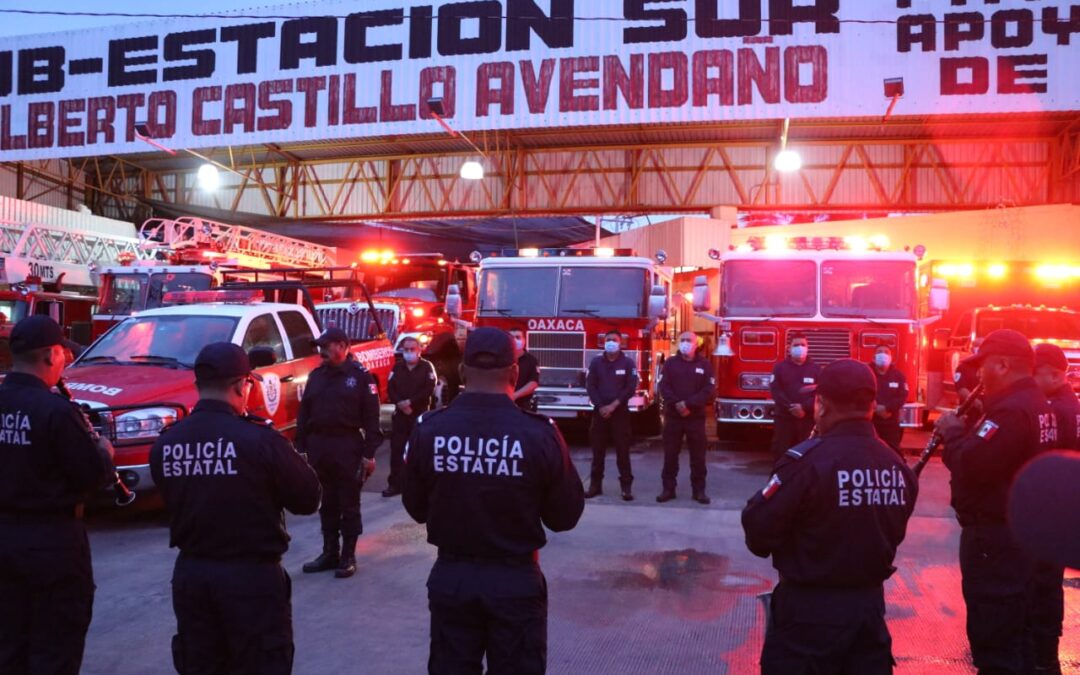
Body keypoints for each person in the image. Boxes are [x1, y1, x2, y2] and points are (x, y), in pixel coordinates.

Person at [402, 327, 585, 674]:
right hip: (514, 581)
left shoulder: (429, 429)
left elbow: (416, 507)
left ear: (462, 372)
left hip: (452, 578)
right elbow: (565, 516)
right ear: (515, 374)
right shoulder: (539, 433)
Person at [150, 342, 321, 675]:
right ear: (242, 385)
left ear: (198, 386)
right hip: (251, 580)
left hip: (193, 576)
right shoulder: (259, 440)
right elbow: (307, 498)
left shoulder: (168, 442)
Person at [742, 359, 917, 674]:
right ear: (872, 404)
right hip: (868, 614)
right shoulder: (897, 466)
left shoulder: (805, 463)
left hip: (807, 618)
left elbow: (758, 532)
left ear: (820, 405)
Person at [934, 329, 1057, 674]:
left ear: (1002, 365)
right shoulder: (1034, 403)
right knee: (1018, 639)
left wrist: (954, 433)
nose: (978, 376)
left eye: (983, 366)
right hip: (1020, 536)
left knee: (995, 641)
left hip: (996, 542)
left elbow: (972, 465)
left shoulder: (1012, 411)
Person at [0, 316, 115, 675]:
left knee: (8, 643)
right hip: (52, 544)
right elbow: (93, 478)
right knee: (54, 647)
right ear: (51, 356)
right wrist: (104, 453)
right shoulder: (56, 411)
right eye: (63, 353)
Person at [297, 327, 383, 579]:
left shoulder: (360, 377)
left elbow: (371, 418)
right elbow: (304, 414)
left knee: (349, 503)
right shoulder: (316, 376)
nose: (321, 350)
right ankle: (329, 552)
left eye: (327, 345)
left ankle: (348, 555)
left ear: (343, 346)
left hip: (347, 446)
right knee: (327, 502)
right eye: (320, 346)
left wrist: (369, 454)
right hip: (319, 446)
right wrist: (300, 448)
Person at [1025, 342, 1079, 674]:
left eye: (1035, 373)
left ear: (1056, 375)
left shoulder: (1055, 410)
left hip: (1052, 507)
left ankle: (1042, 655)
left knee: (1042, 584)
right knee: (1049, 581)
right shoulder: (1071, 406)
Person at [657, 332, 716, 504]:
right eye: (682, 340)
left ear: (696, 344)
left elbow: (708, 389)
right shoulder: (670, 363)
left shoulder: (705, 364)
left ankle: (699, 491)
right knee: (670, 455)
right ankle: (668, 490)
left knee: (698, 457)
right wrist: (677, 404)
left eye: (688, 340)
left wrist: (689, 404)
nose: (684, 343)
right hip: (673, 417)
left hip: (695, 418)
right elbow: (664, 385)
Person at [584, 329, 638, 500]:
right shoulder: (596, 363)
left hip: (619, 413)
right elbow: (591, 386)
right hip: (600, 413)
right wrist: (601, 407)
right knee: (597, 451)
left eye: (614, 340)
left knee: (623, 451)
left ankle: (626, 488)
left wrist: (613, 406)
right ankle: (595, 486)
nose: (610, 342)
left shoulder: (628, 363)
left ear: (620, 342)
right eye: (608, 339)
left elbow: (630, 388)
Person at [383, 337, 437, 498]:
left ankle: (419, 487)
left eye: (412, 349)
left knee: (419, 451)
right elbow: (390, 388)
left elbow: (429, 389)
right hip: (400, 416)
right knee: (397, 450)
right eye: (405, 349)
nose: (408, 352)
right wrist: (399, 402)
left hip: (418, 415)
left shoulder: (426, 367)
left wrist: (411, 402)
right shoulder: (397, 367)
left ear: (419, 349)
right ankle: (395, 484)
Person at [769, 333, 820, 458]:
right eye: (796, 345)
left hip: (807, 420)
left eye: (803, 345)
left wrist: (804, 407)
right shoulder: (779, 368)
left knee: (807, 454)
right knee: (781, 452)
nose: (800, 347)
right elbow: (776, 391)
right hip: (784, 419)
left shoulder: (816, 369)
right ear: (789, 348)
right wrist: (791, 408)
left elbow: (820, 393)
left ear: (808, 347)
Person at [869, 344, 907, 453]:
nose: (883, 354)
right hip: (870, 422)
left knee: (892, 452)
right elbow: (860, 392)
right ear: (874, 357)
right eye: (879, 352)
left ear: (891, 357)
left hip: (890, 422)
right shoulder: (866, 372)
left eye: (886, 352)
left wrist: (888, 408)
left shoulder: (898, 376)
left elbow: (903, 395)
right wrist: (876, 408)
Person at [508, 326, 540, 412]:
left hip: (524, 406)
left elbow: (533, 383)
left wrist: (514, 395)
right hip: (503, 405)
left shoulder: (532, 360)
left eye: (518, 337)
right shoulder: (501, 358)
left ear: (524, 340)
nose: (514, 340)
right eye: (512, 338)